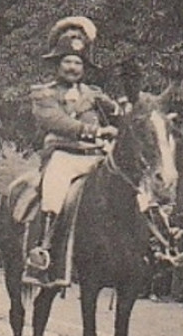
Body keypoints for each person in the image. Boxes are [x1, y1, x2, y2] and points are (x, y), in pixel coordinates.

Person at [25, 16, 120, 288]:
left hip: (95, 157)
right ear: (57, 63)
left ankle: (153, 240)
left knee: (126, 179)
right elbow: (57, 122)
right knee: (55, 184)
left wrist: (121, 115)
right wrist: (94, 131)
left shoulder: (95, 95)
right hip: (64, 154)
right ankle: (42, 249)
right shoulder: (43, 94)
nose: (72, 67)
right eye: (67, 61)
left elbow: (117, 116)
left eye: (77, 62)